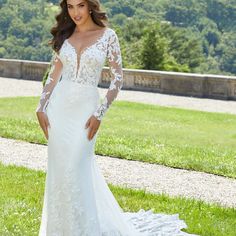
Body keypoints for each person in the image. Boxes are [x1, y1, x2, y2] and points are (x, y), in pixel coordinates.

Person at [36, 0, 198, 235]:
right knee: (60, 171)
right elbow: (54, 73)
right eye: (70, 7)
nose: (75, 12)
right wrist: (41, 105)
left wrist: (99, 113)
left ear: (90, 6)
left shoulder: (107, 36)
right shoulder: (66, 35)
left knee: (76, 166)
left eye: (80, 5)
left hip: (86, 112)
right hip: (59, 111)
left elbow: (117, 79)